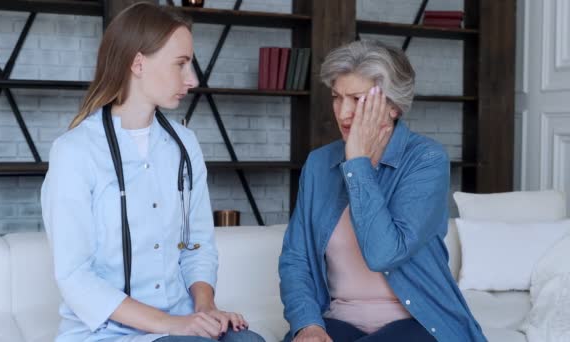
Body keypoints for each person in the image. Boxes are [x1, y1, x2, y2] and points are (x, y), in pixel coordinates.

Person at [41, 3, 264, 342]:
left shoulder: (185, 145)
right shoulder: (75, 152)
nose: (191, 80)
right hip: (109, 333)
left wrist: (204, 310)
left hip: (182, 322)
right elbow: (75, 276)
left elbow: (197, 245)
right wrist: (171, 325)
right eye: (180, 64)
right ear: (138, 62)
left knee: (250, 340)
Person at [278, 39, 487, 342]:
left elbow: (384, 254)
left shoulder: (426, 160)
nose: (343, 112)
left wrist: (357, 163)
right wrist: (308, 324)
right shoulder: (319, 164)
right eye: (337, 97)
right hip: (336, 319)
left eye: (358, 99)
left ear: (392, 106)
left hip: (417, 321)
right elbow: (296, 259)